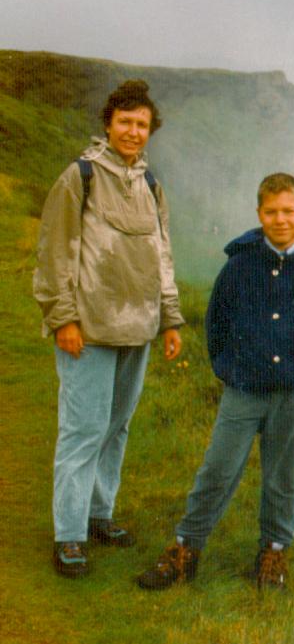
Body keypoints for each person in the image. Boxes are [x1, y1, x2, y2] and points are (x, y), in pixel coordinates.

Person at [137, 172, 294, 591]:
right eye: (272, 211)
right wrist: (231, 370)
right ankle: (186, 548)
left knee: (285, 477)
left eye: (289, 211)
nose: (281, 219)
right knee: (218, 469)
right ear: (259, 214)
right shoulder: (239, 266)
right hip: (244, 389)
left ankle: (273, 551)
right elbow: (216, 325)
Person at [33, 80, 184, 579]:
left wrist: (169, 319)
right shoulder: (80, 176)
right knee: (82, 430)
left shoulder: (150, 184)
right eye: (125, 122)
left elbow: (161, 256)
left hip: (137, 327)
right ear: (108, 123)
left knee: (116, 428)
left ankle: (100, 516)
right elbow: (55, 253)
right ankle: (69, 535)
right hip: (89, 328)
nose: (133, 132)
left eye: (142, 125)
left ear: (149, 131)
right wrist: (63, 318)